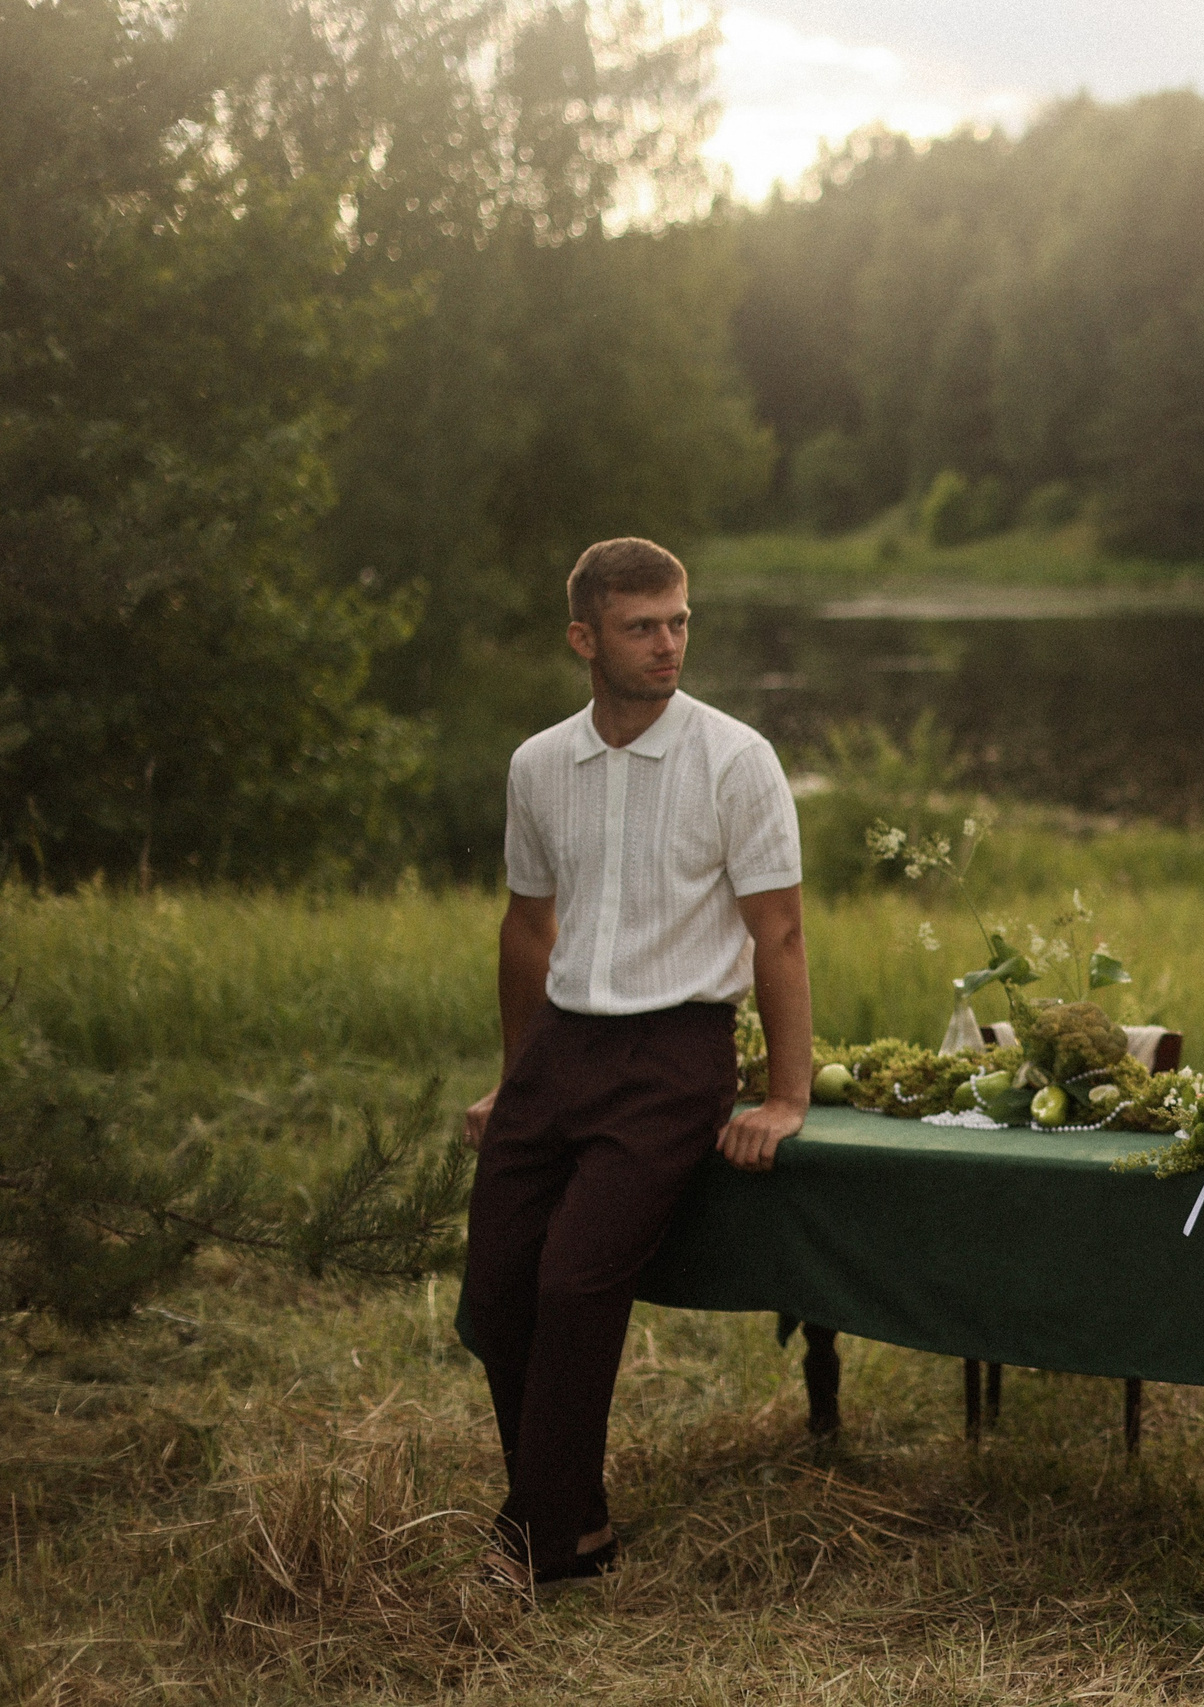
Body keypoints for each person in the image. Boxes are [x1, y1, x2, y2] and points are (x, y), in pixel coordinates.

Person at [459, 537, 813, 1592]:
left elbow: (780, 932)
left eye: (680, 623)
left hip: (674, 1055)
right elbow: (529, 931)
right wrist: (513, 1078)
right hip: (562, 1048)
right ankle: (580, 1525)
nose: (668, 646)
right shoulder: (538, 764)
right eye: (641, 626)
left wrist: (785, 1095)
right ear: (584, 638)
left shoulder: (734, 758)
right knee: (497, 1286)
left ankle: (535, 1548)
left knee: (575, 1283)